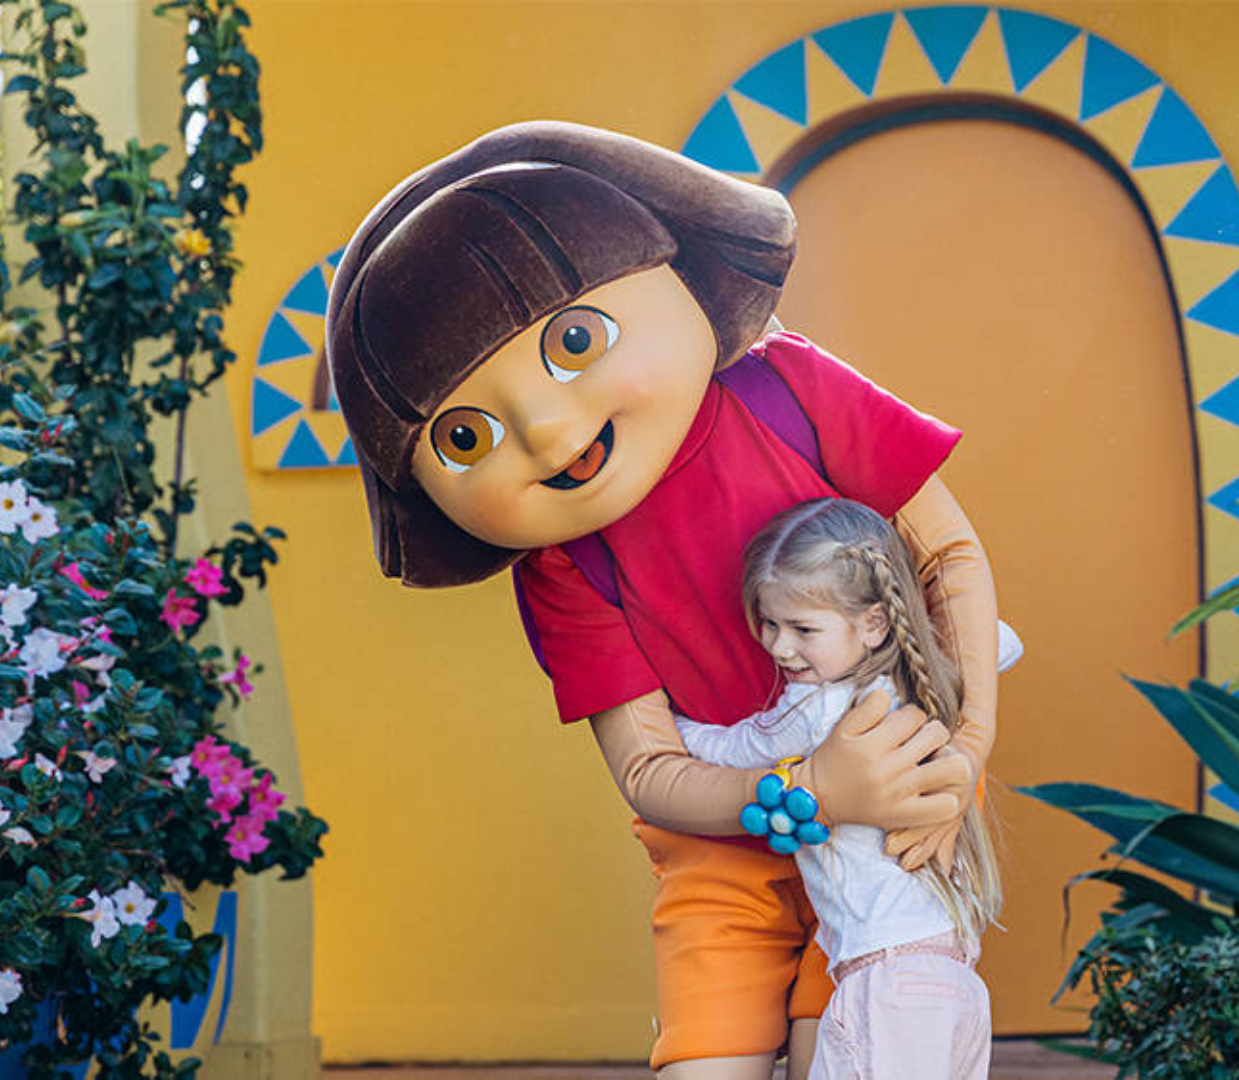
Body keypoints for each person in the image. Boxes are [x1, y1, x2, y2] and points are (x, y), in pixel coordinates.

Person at [324, 122, 1003, 1075]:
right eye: (467, 437)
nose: (550, 430)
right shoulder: (562, 567)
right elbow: (651, 773)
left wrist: (963, 754)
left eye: (573, 342)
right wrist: (808, 792)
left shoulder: (788, 391)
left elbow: (951, 557)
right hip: (724, 860)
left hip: (880, 832)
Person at [675, 498, 1011, 1080]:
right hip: (954, 983)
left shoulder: (816, 708)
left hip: (882, 985)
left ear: (876, 623)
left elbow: (728, 749)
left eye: (803, 629)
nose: (781, 648)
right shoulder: (929, 680)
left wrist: (665, 719)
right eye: (770, 624)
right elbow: (1004, 642)